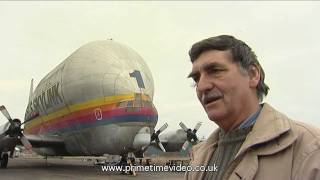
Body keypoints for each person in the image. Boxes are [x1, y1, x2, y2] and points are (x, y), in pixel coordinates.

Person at [185, 35, 320, 180]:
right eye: (196, 79)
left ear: (253, 75)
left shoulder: (310, 149)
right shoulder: (197, 157)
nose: (202, 86)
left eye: (215, 71)